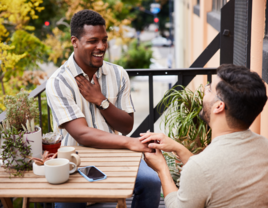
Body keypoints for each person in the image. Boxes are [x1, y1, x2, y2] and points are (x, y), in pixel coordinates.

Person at [46, 9, 160, 208]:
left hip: (115, 153)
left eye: (104, 40)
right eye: (92, 41)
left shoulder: (118, 74)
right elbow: (81, 134)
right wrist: (129, 143)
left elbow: (126, 125)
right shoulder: (58, 82)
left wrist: (101, 100)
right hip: (74, 159)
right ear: (75, 42)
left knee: (151, 181)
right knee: (67, 202)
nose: (101, 47)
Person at [139, 64, 268, 208]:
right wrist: (178, 148)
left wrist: (162, 169)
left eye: (209, 89)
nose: (204, 91)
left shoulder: (200, 167)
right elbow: (215, 174)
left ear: (218, 106)